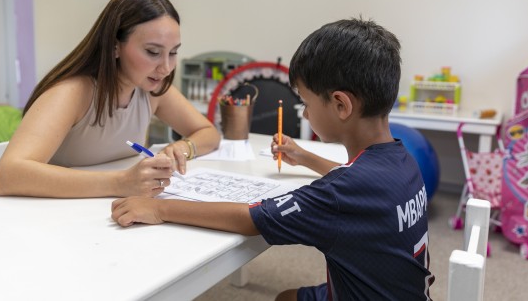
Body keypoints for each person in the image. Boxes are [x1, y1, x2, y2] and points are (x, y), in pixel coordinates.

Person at [110, 17, 434, 300]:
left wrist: (158, 207)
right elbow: (357, 182)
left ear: (340, 105)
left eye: (306, 103)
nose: (304, 113)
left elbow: (250, 220)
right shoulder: (401, 160)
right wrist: (305, 157)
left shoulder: (338, 194)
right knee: (286, 298)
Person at [0, 0, 220, 198]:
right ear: (115, 47)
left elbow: (208, 133)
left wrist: (182, 147)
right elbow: (8, 175)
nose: (166, 68)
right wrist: (119, 183)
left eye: (173, 53)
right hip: (53, 214)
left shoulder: (153, 88)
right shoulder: (72, 93)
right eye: (153, 52)